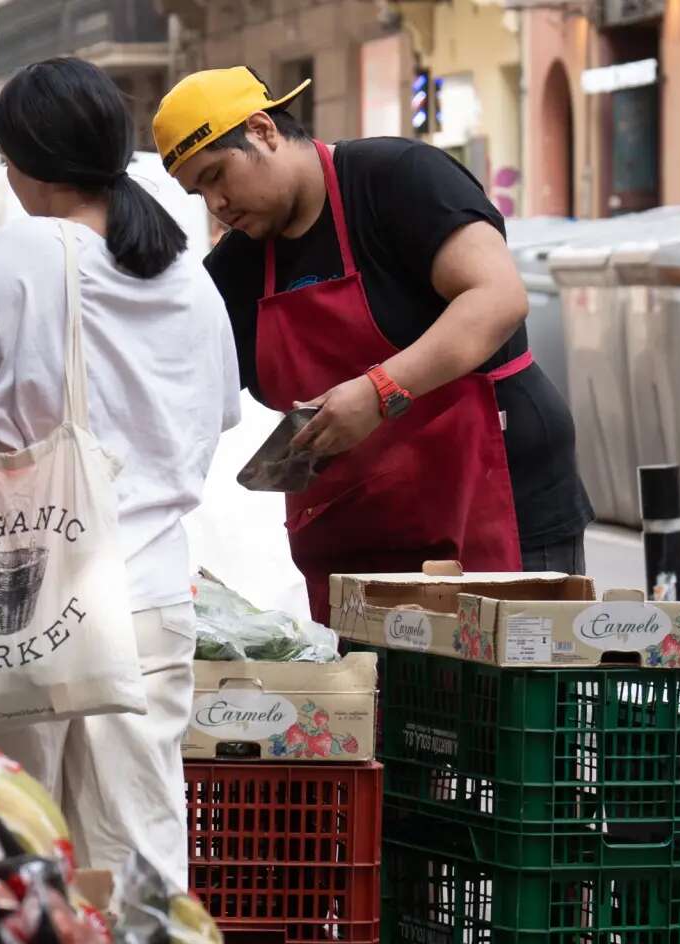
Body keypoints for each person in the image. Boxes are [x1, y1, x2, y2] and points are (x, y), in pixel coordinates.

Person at [0, 58, 240, 891]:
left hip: (32, 592)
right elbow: (220, 411)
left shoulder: (19, 253)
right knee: (137, 847)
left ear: (28, 161)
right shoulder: (185, 272)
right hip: (153, 598)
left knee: (13, 837)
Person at [153, 68, 593, 621]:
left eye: (218, 174)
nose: (216, 203)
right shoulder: (237, 269)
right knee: (374, 703)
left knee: (504, 695)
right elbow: (183, 389)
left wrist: (379, 391)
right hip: (359, 520)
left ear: (263, 131)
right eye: (199, 191)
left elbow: (497, 297)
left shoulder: (398, 179)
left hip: (495, 493)